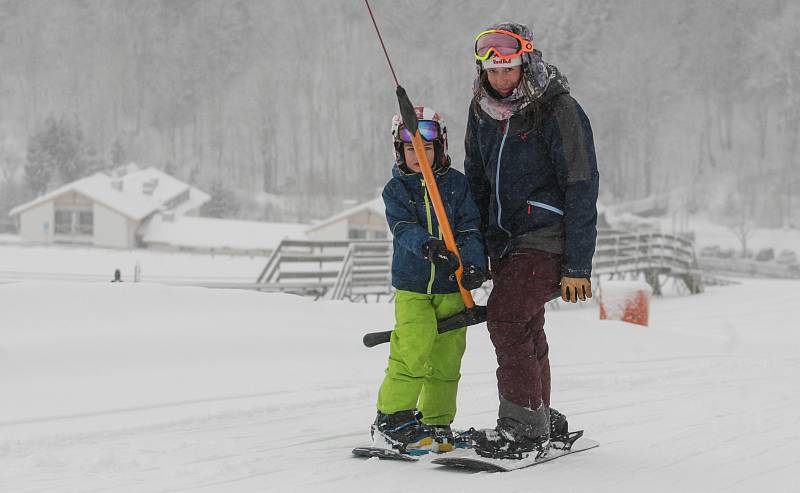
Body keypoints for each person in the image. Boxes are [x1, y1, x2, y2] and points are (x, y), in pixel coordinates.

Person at [463, 23, 599, 459]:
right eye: (493, 71)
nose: (501, 80)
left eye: (509, 69)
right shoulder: (481, 109)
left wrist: (578, 264)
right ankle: (540, 415)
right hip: (506, 242)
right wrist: (480, 247)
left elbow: (581, 183)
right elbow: (478, 179)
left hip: (547, 237)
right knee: (525, 323)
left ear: (526, 62)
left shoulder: (557, 108)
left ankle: (522, 429)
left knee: (505, 316)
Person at [372, 106, 488, 454]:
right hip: (414, 286)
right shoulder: (396, 190)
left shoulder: (456, 185)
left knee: (448, 357)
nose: (419, 156)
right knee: (413, 349)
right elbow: (403, 228)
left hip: (452, 287)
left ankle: (437, 420)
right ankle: (392, 418)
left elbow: (469, 228)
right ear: (399, 151)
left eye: (427, 148)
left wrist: (473, 265)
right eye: (410, 149)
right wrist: (429, 246)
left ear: (441, 147)